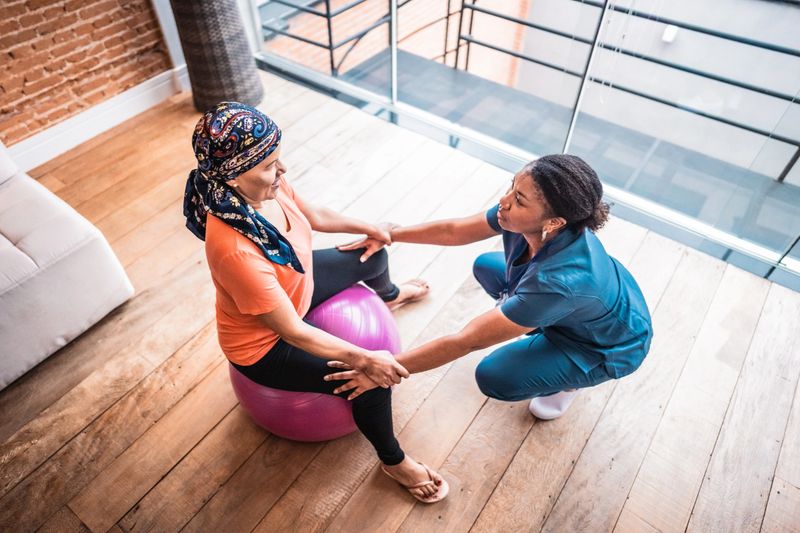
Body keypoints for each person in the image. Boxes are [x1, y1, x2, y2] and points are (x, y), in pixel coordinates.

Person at [183, 102, 447, 503]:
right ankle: (393, 461)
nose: (283, 170)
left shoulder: (268, 185)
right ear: (235, 175)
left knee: (373, 254)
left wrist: (370, 227)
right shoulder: (234, 248)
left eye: (278, 159)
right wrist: (364, 357)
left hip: (295, 286)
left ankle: (388, 298)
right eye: (271, 164)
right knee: (370, 382)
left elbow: (312, 215)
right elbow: (289, 330)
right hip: (264, 346)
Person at [328, 154, 653, 420]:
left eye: (519, 199)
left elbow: (465, 340)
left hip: (603, 345)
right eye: (511, 187)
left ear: (553, 222)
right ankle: (537, 323)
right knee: (487, 265)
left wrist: (384, 369)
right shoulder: (522, 219)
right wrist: (391, 233)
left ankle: (567, 381)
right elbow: (454, 230)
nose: (504, 200)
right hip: (576, 306)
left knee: (494, 376)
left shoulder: (558, 283)